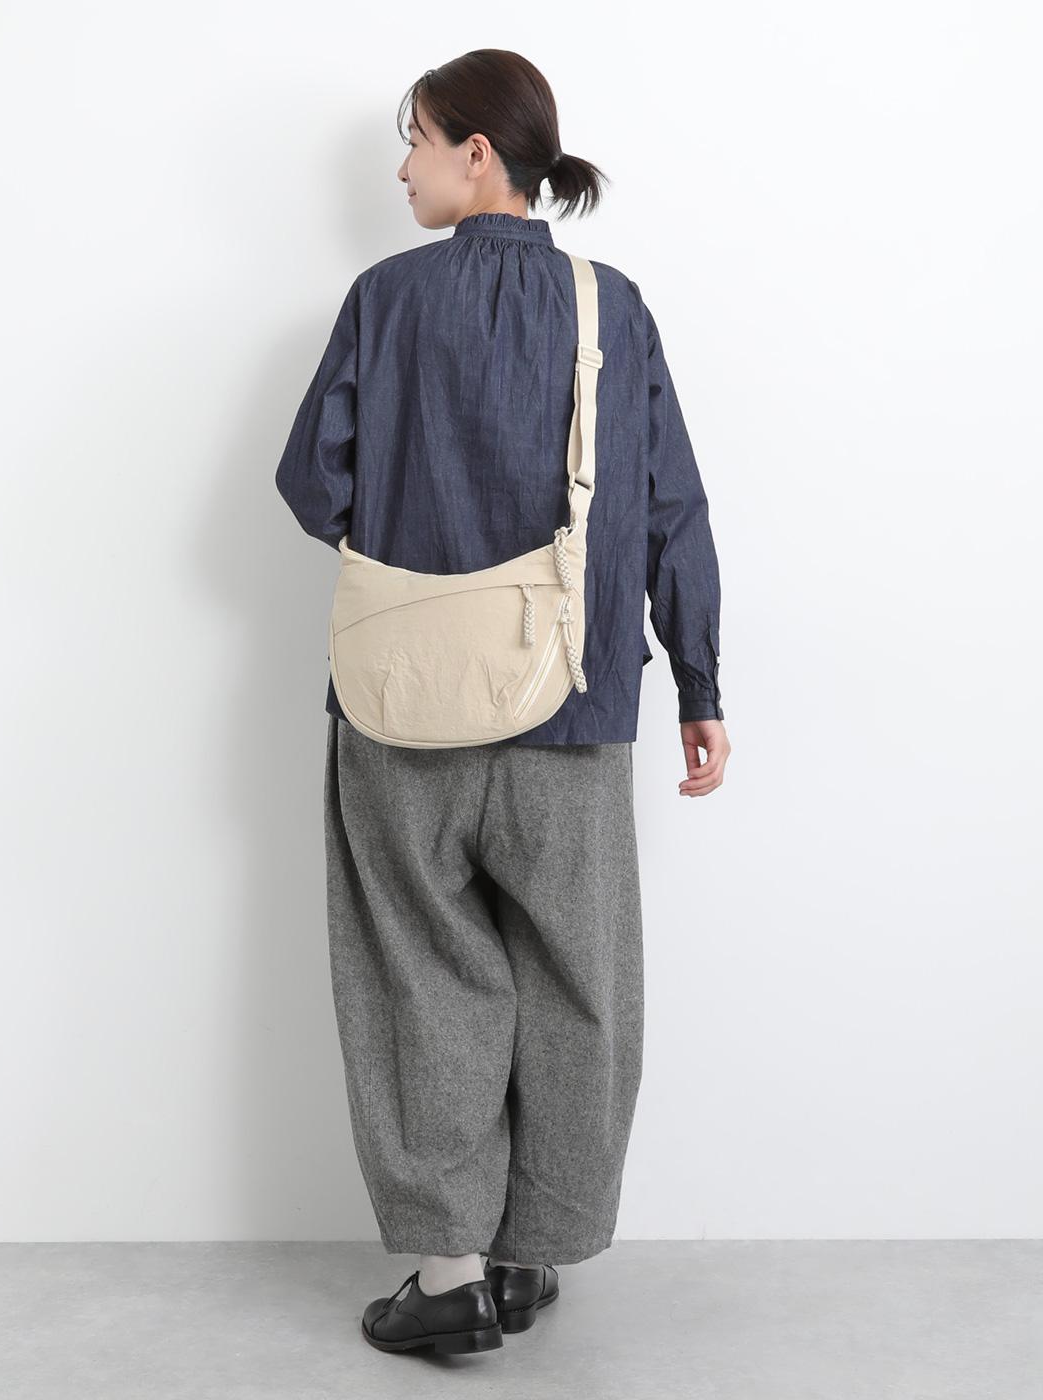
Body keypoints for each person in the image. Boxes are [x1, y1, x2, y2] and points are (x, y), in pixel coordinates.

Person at [275, 49, 731, 1356]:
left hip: (402, 708)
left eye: (416, 140)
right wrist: (699, 681)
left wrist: (421, 537)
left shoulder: (385, 300)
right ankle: (533, 1259)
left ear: (479, 153)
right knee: (579, 982)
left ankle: (449, 1275)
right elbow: (669, 506)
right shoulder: (613, 305)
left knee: (421, 976)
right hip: (575, 706)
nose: (401, 166)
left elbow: (311, 483)